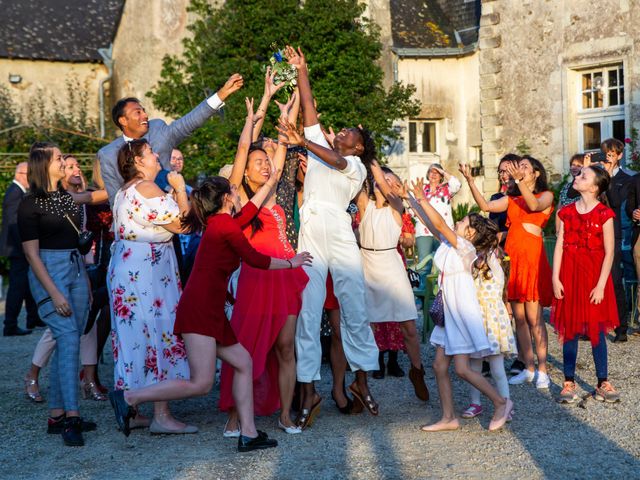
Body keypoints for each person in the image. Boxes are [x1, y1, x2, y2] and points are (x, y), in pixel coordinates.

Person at [108, 174, 312, 452]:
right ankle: (129, 397)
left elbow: (250, 210)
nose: (239, 193)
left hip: (210, 309)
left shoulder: (221, 222)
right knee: (201, 383)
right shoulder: (224, 226)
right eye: (235, 191)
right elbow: (256, 259)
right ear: (227, 197)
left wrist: (272, 180)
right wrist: (293, 262)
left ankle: (249, 433)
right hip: (201, 309)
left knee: (243, 362)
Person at [276, 45, 380, 427]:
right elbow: (308, 108)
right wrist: (302, 68)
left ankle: (361, 381)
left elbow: (334, 160)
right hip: (311, 230)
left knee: (353, 305)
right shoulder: (321, 148)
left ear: (359, 146)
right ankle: (309, 390)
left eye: (351, 132)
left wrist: (304, 143)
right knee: (308, 311)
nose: (345, 130)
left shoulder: (354, 166)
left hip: (337, 230)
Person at [220, 95, 308, 435]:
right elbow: (242, 153)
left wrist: (286, 112)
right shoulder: (239, 195)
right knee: (247, 346)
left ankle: (285, 413)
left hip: (287, 273)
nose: (265, 165)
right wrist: (252, 117)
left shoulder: (275, 189)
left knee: (286, 347)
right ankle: (234, 414)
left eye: (266, 160)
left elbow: (283, 147)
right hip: (257, 277)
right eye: (259, 161)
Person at [408, 178, 512, 432]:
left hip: (461, 311)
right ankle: (448, 417)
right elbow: (431, 224)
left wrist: (422, 197)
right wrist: (408, 199)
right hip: (449, 310)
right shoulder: (449, 243)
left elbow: (441, 223)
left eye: (464, 221)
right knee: (439, 365)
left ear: (471, 233)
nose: (459, 220)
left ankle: (501, 402)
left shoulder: (465, 246)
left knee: (463, 369)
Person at [108, 138, 194, 435]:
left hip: (129, 268)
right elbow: (183, 225)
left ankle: (133, 409)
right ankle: (161, 415)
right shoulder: (147, 188)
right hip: (148, 273)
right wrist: (181, 189)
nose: (157, 155)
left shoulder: (125, 191)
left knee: (135, 337)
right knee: (159, 333)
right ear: (137, 162)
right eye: (150, 153)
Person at [18, 142, 96, 446]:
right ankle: (72, 417)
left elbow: (89, 200)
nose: (64, 161)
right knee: (67, 337)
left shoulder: (63, 197)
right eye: (59, 158)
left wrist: (86, 283)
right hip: (49, 273)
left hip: (75, 268)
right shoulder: (29, 204)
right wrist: (54, 294)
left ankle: (57, 414)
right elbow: (31, 256)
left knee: (71, 338)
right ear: (44, 163)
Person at [461, 157, 554, 390]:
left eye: (524, 166)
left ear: (536, 173)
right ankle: (529, 367)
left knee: (534, 319)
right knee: (519, 319)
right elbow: (485, 206)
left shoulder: (546, 196)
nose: (519, 169)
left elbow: (533, 206)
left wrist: (519, 181)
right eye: (518, 166)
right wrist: (471, 181)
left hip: (532, 259)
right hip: (513, 258)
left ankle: (543, 369)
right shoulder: (512, 199)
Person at [24, 155, 107, 404]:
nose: (74, 168)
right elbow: (33, 252)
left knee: (87, 327)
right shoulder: (52, 201)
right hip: (65, 269)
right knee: (60, 330)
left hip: (87, 266)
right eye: (68, 164)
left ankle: (88, 380)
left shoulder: (80, 198)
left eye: (75, 165)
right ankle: (34, 375)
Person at [98, 73, 244, 203]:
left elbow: (189, 122)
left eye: (144, 111)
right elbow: (115, 199)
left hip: (171, 207)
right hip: (136, 223)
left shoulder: (158, 130)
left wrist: (222, 94)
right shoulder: (108, 154)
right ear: (123, 120)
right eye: (138, 112)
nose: (145, 115)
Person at [357, 162, 429, 401]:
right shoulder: (365, 206)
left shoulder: (396, 208)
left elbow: (389, 192)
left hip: (392, 266)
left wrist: (373, 159)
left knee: (408, 326)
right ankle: (361, 382)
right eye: (380, 179)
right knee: (366, 328)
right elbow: (355, 173)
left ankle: (417, 370)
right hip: (368, 267)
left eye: (390, 181)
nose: (383, 183)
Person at [552, 165, 620, 403]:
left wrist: (601, 285)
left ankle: (603, 381)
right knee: (569, 328)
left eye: (583, 175)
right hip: (569, 276)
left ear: (594, 187)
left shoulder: (604, 214)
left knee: (596, 329)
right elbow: (560, 244)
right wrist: (555, 277)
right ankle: (568, 382)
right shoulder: (567, 212)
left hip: (593, 278)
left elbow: (609, 252)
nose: (577, 177)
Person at [461, 228, 517, 419]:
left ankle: (506, 402)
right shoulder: (474, 271)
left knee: (497, 369)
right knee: (475, 367)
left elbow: (491, 254)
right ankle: (475, 403)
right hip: (477, 321)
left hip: (493, 323)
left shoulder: (497, 273)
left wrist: (490, 243)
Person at [595, 139, 630, 343]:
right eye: (605, 153)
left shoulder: (625, 179)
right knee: (594, 279)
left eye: (611, 154)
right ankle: (594, 323)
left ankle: (621, 327)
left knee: (615, 279)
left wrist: (606, 176)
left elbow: (616, 202)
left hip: (613, 234)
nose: (607, 157)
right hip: (594, 233)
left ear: (619, 156)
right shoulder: (594, 176)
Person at [1, 162, 40, 336]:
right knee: (17, 288)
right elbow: (14, 224)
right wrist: (26, 248)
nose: (31, 179)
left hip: (19, 249)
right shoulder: (14, 193)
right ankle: (10, 324)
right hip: (17, 250)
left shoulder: (18, 193)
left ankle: (33, 317)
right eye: (29, 174)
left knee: (27, 285)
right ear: (21, 174)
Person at [413, 163, 461, 277]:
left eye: (437, 172)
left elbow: (457, 184)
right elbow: (414, 209)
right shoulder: (421, 189)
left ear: (441, 176)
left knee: (443, 264)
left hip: (444, 232)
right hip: (424, 231)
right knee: (424, 265)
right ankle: (423, 291)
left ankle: (441, 291)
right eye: (431, 171)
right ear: (427, 174)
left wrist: (443, 171)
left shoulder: (446, 189)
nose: (434, 174)